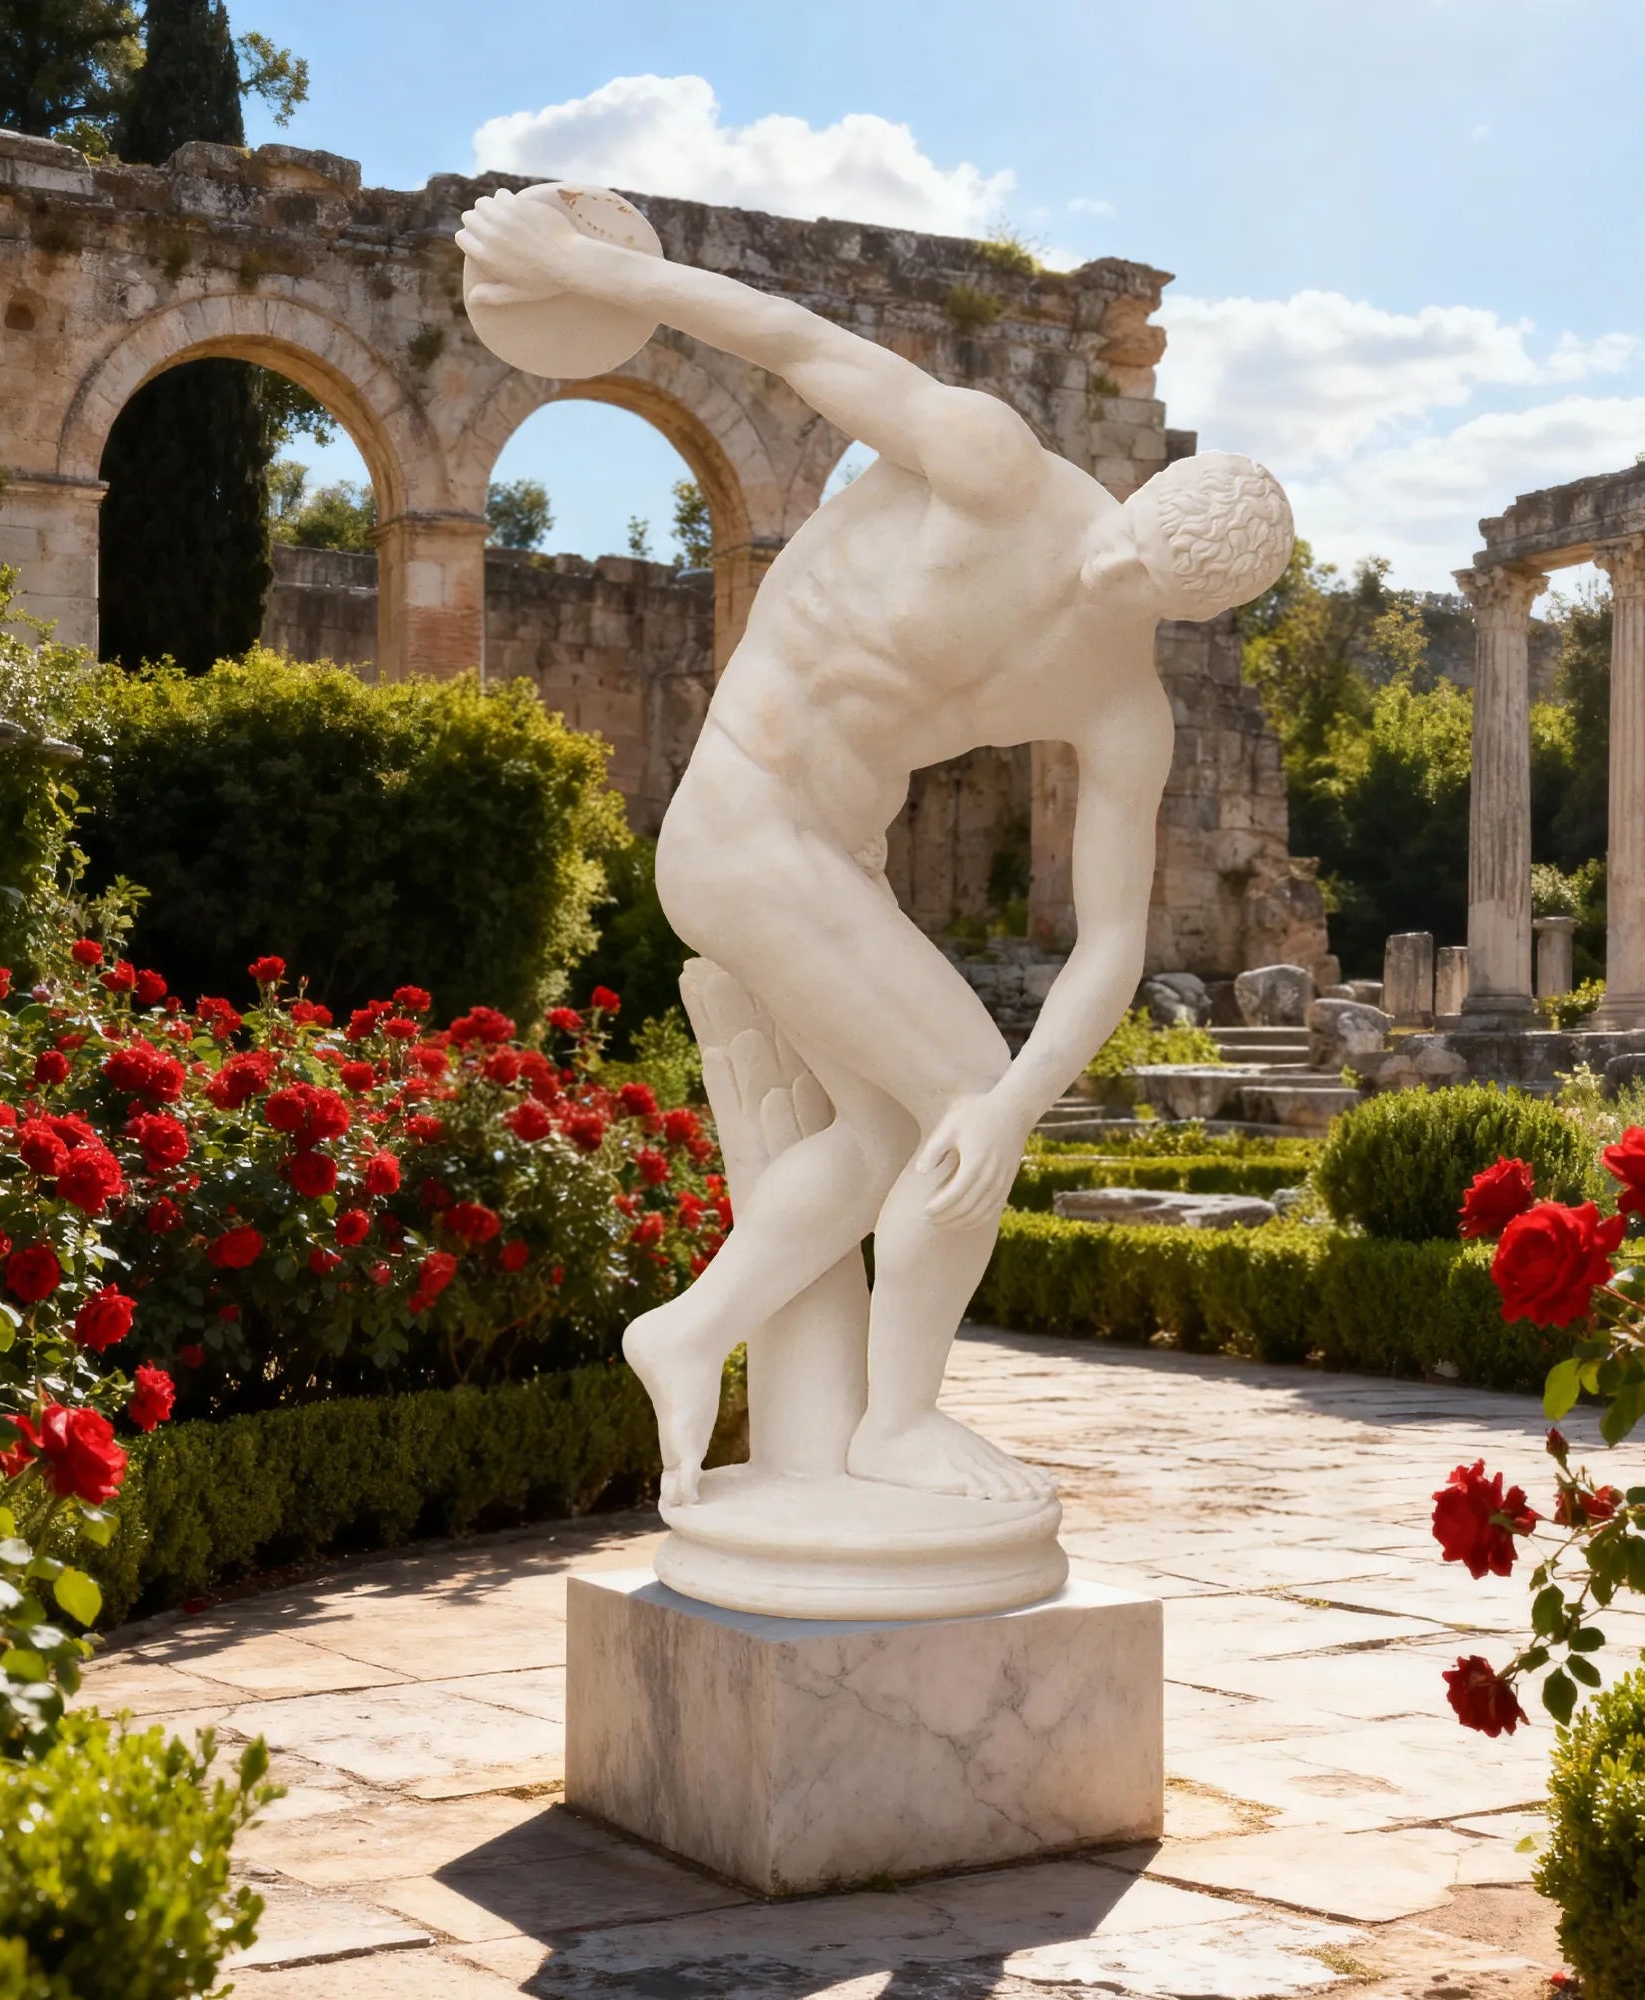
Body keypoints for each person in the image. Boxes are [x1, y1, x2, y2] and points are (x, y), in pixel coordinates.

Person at [457, 188, 1293, 1508]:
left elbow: (1116, 941)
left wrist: (1021, 1103)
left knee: (919, 1130)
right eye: (1127, 551)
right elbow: (795, 342)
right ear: (1137, 499)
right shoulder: (993, 463)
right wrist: (578, 266)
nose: (1106, 586)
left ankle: (684, 1335)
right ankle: (896, 1424)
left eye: (1153, 596)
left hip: (835, 863)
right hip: (741, 819)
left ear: (1193, 615)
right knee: (957, 1082)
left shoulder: (1124, 703)